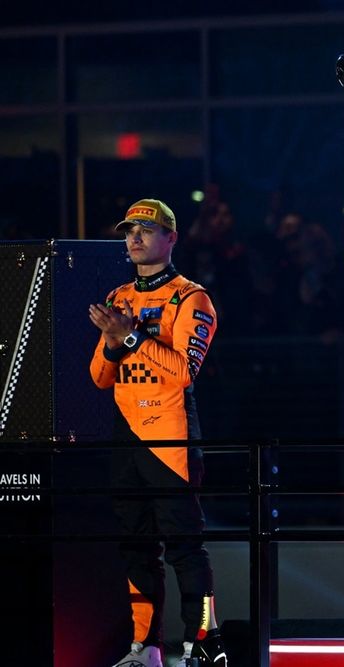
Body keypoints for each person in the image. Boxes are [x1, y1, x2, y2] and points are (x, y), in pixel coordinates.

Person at [89, 199, 227, 667]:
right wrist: (114, 343)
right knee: (136, 547)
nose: (134, 237)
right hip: (126, 436)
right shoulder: (118, 297)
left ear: (171, 238)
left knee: (185, 547)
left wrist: (130, 337)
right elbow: (99, 377)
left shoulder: (192, 298)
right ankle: (144, 648)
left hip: (170, 436)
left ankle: (203, 642)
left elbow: (183, 372)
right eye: (130, 230)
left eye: (146, 230)